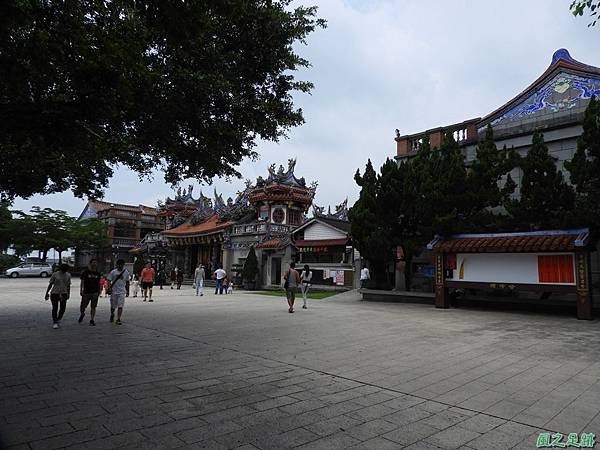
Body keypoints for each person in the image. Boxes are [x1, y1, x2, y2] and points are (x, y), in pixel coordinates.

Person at [44, 263, 71, 329]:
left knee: (63, 308)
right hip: (55, 293)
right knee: (55, 308)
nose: (65, 271)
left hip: (64, 293)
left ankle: (59, 318)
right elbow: (50, 284)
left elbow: (68, 285)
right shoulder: (55, 274)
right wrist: (47, 293)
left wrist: (68, 293)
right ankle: (55, 322)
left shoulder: (68, 275)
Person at [107, 259, 130, 325]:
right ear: (117, 265)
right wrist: (109, 288)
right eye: (119, 265)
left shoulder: (126, 272)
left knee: (120, 305)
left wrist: (127, 290)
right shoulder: (113, 272)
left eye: (122, 265)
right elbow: (108, 280)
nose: (120, 266)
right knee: (113, 306)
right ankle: (112, 314)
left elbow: (127, 282)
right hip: (114, 291)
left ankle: (118, 318)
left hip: (122, 291)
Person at [79, 259, 101, 326]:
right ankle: (82, 313)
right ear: (90, 264)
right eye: (93, 263)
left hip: (95, 292)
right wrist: (81, 290)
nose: (94, 264)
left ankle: (92, 319)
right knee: (83, 306)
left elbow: (99, 283)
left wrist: (99, 291)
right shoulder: (85, 272)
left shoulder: (98, 273)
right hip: (86, 291)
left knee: (93, 307)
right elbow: (82, 282)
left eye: (95, 263)